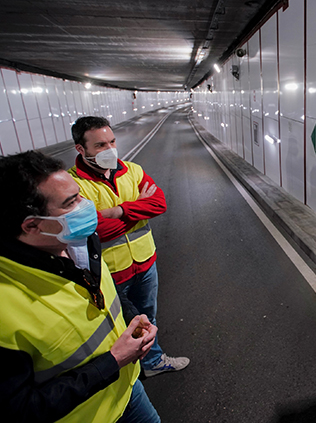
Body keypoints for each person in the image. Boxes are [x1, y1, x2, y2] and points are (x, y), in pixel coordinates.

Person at [0, 151, 160, 422]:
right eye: (72, 202)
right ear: (33, 226)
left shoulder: (79, 243)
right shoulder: (6, 302)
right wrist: (112, 362)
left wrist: (133, 317)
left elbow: (103, 292)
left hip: (128, 391)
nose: (87, 205)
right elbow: (21, 409)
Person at [69, 116, 189, 378]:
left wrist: (118, 211)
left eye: (112, 141)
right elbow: (93, 229)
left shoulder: (132, 170)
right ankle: (125, 376)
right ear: (81, 149)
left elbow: (159, 204)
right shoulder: (73, 184)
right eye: (100, 145)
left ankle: (152, 362)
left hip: (145, 262)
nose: (110, 149)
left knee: (148, 318)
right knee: (119, 328)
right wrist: (136, 212)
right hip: (109, 272)